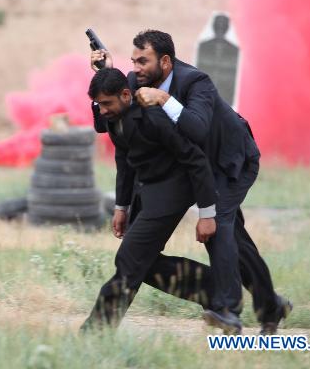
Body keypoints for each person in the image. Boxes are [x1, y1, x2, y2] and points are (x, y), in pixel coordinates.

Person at [90, 30, 291, 334]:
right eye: (133, 62)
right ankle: (270, 306)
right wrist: (106, 70)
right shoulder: (135, 83)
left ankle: (226, 309)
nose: (136, 68)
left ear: (166, 61)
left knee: (218, 224)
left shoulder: (196, 82)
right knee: (237, 243)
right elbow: (113, 107)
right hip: (190, 169)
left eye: (143, 61)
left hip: (228, 160)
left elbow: (197, 129)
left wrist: (165, 98)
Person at [81, 67, 219, 331]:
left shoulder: (154, 118)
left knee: (129, 260)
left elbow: (196, 160)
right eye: (98, 105)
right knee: (143, 262)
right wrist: (122, 207)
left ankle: (95, 332)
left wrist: (207, 213)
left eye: (107, 104)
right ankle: (212, 286)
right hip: (147, 192)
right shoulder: (113, 114)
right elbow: (124, 163)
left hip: (172, 192)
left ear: (125, 95)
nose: (102, 111)